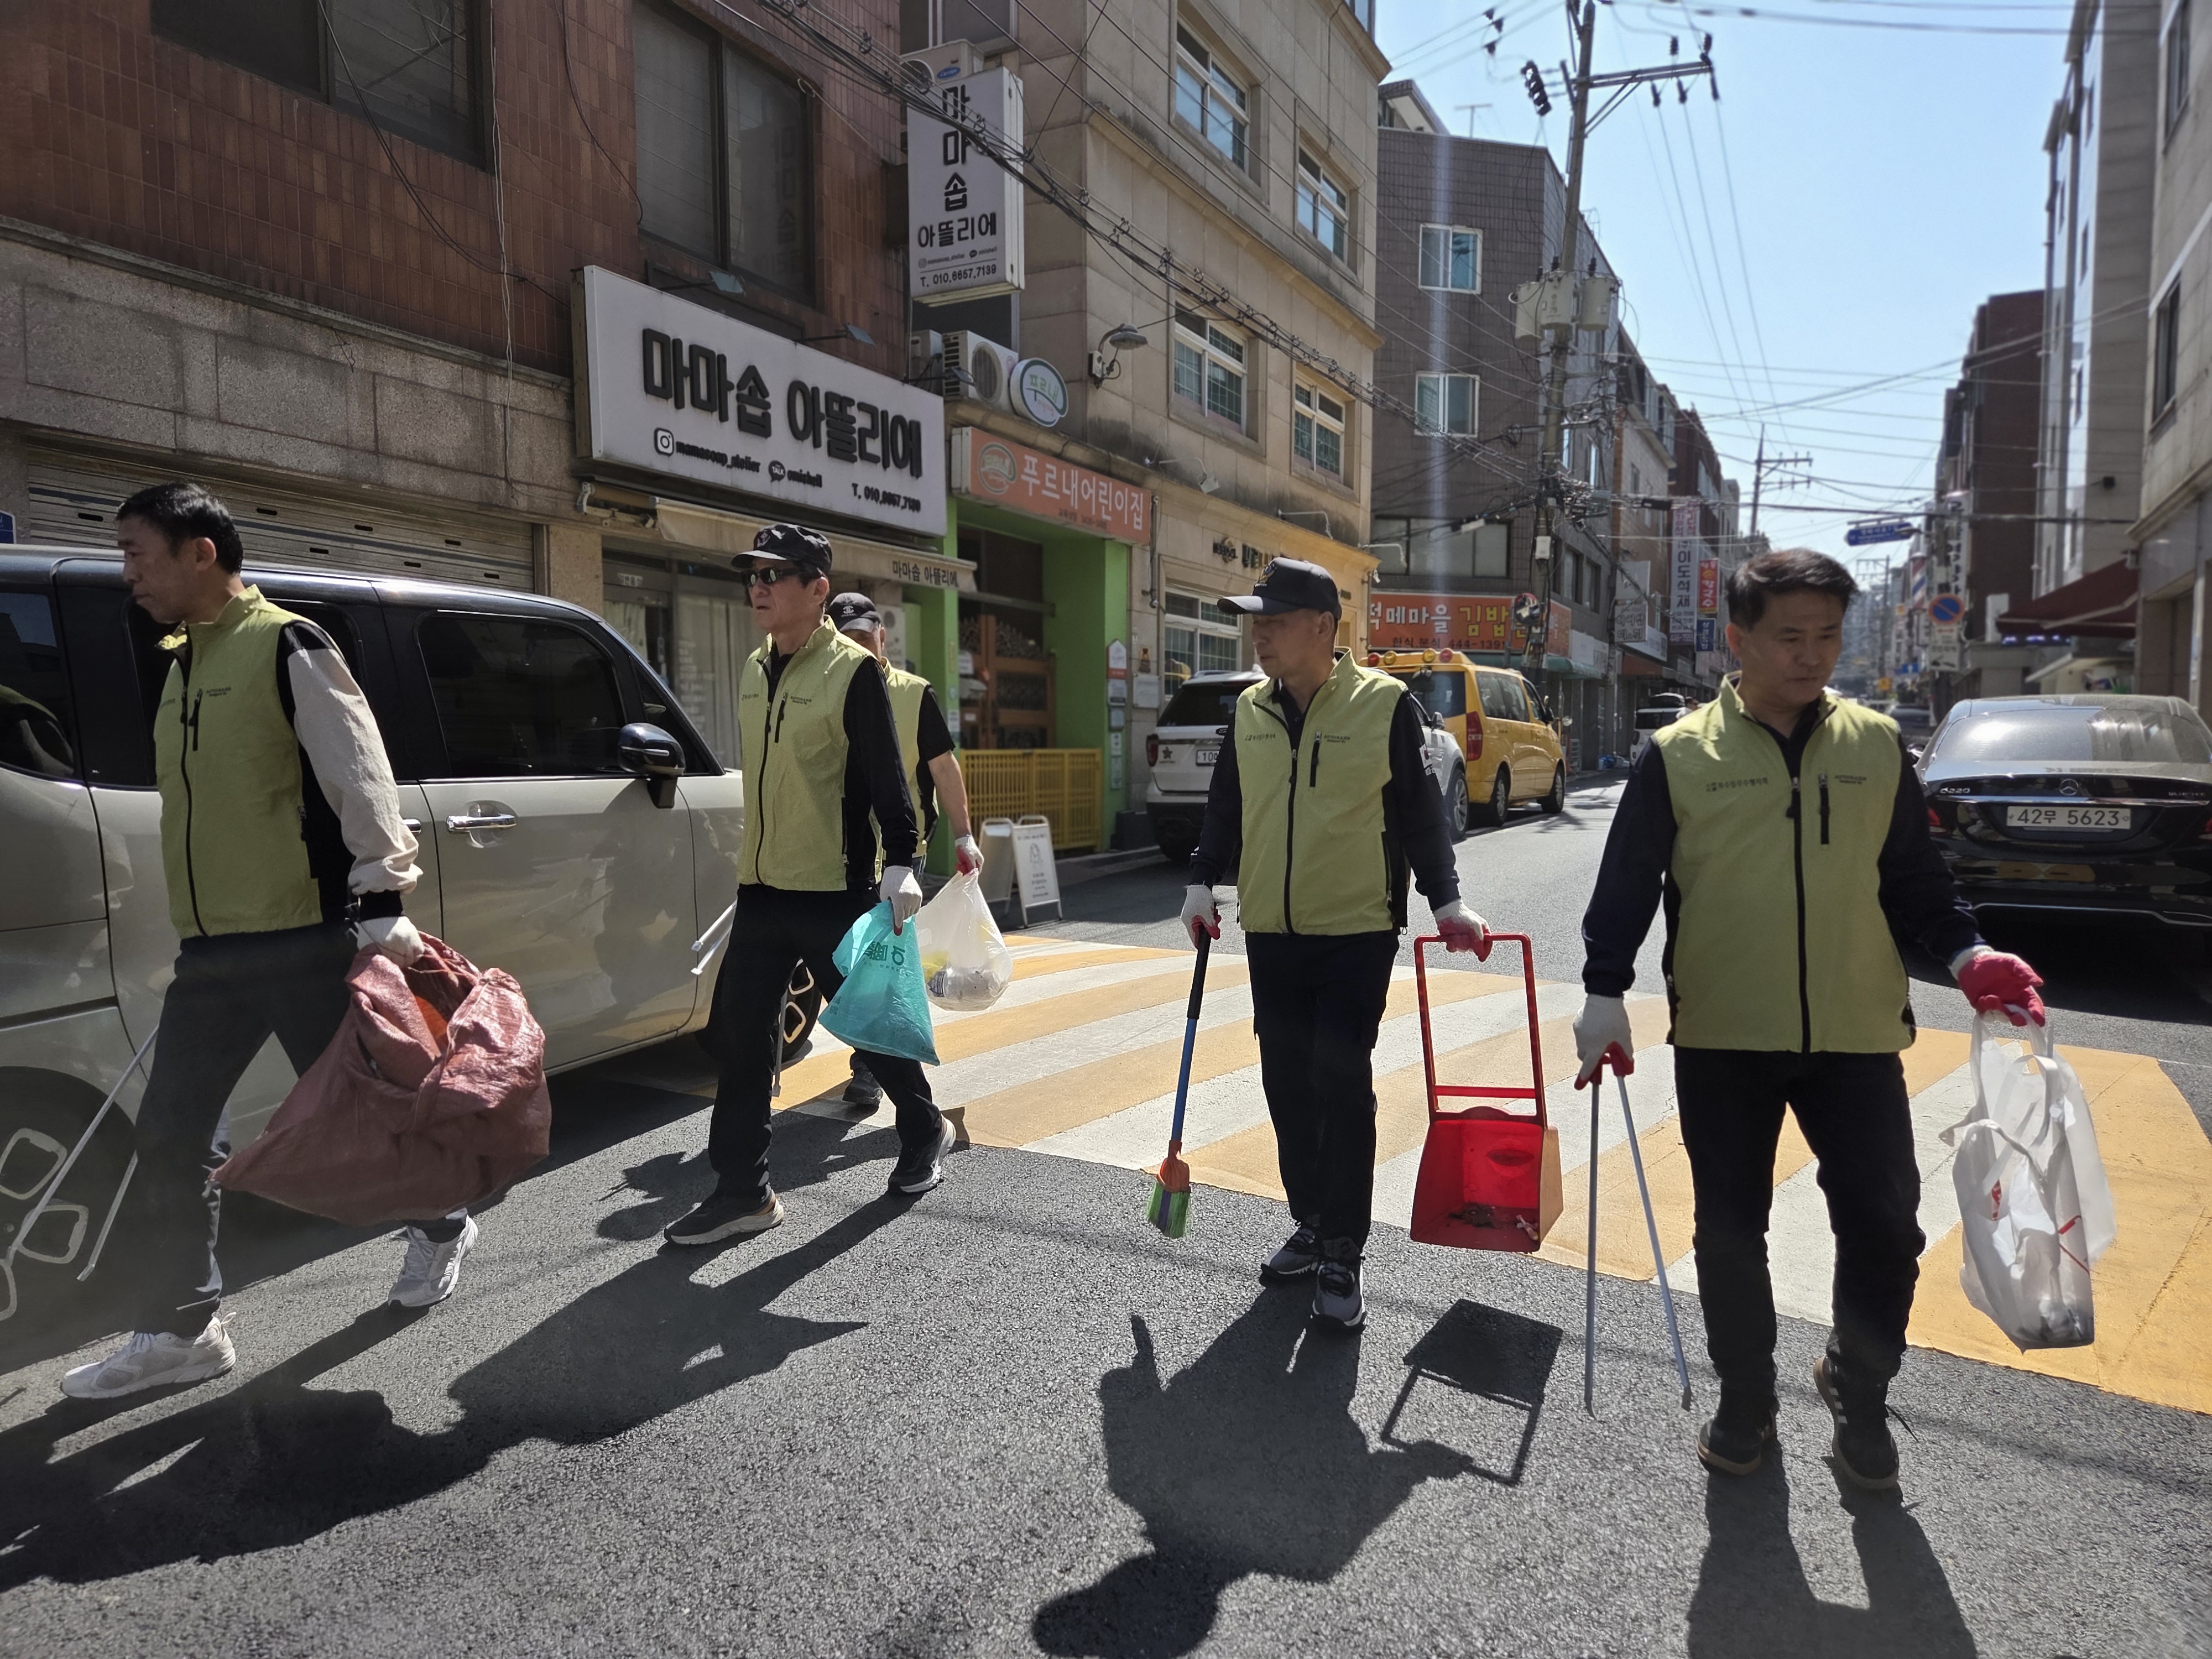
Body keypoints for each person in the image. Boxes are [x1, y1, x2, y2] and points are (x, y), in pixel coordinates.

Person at [1573, 548, 2045, 1490]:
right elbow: (1628, 882)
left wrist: (1969, 956)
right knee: (1728, 1231)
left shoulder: (1876, 747)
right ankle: (1747, 1397)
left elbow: (1915, 880)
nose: (1812, 655)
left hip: (1855, 1034)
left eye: (1827, 636)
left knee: (1887, 1225)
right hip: (1724, 1034)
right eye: (1790, 636)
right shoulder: (1679, 755)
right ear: (1738, 640)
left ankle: (1858, 1388)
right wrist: (1602, 990)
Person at [62, 482, 470, 1401]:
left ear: (200, 551)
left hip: (303, 940)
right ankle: (185, 1330)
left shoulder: (289, 645)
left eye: (137, 553)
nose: (128, 574)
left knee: (365, 1123)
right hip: (213, 952)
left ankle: (442, 1222)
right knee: (170, 1137)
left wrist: (384, 894)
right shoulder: (183, 662)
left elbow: (362, 773)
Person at [1182, 558, 1490, 1333]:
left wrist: (1446, 901)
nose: (1260, 636)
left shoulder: (1384, 706)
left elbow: (1421, 815)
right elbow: (1226, 805)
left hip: (1356, 931)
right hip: (1271, 932)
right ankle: (1312, 1222)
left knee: (1339, 1076)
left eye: (1276, 622)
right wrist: (1201, 880)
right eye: (1257, 623)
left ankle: (1343, 1249)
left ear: (1324, 628)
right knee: (1286, 1083)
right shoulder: (1249, 709)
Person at [664, 526, 956, 1245]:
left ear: (817, 588)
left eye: (775, 575)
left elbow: (889, 776)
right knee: (740, 1041)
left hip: (834, 888)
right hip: (762, 888)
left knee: (869, 1029)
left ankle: (924, 1127)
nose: (758, 588)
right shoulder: (753, 667)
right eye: (753, 576)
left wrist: (902, 862)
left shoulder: (852, 672)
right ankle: (744, 1191)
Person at [823, 591, 983, 1112]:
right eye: (846, 640)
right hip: (835, 848)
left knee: (881, 960)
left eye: (864, 638)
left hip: (900, 851)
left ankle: (871, 1069)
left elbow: (943, 768)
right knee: (852, 959)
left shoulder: (913, 693)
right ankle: (877, 1056)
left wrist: (963, 835)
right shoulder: (821, 689)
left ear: (882, 637)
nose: (858, 648)